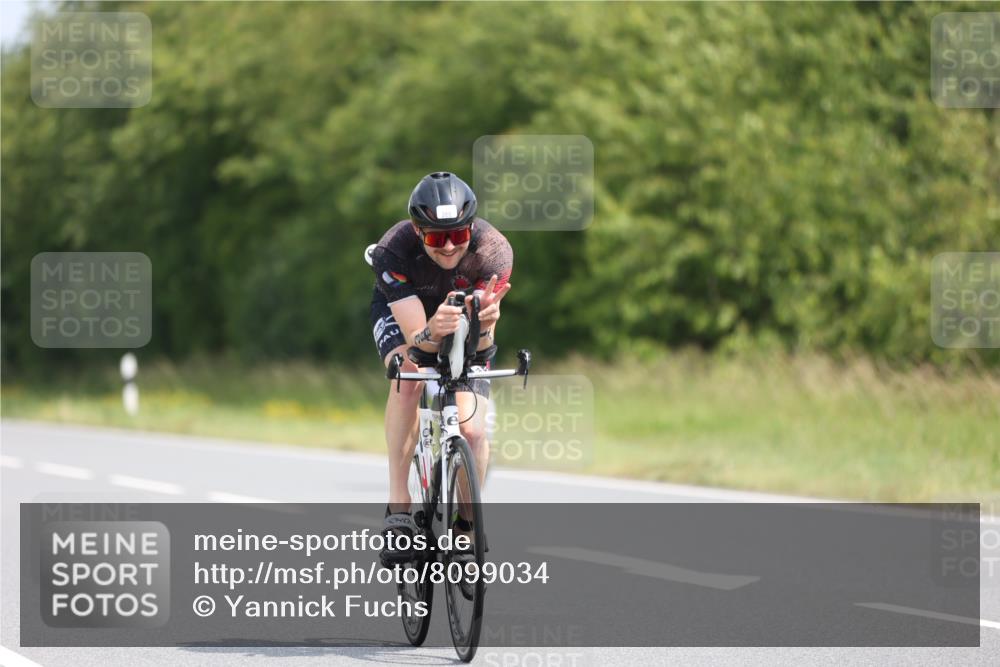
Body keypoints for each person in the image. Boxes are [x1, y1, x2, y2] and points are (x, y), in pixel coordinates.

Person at [369, 171, 513, 564]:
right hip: (408, 312)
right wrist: (431, 331)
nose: (449, 246)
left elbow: (482, 348)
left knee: (474, 431)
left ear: (472, 228)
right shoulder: (392, 252)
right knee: (409, 377)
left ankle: (466, 527)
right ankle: (399, 506)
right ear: (418, 231)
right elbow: (418, 341)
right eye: (435, 237)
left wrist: (484, 323)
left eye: (458, 234)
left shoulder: (494, 251)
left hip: (465, 321)